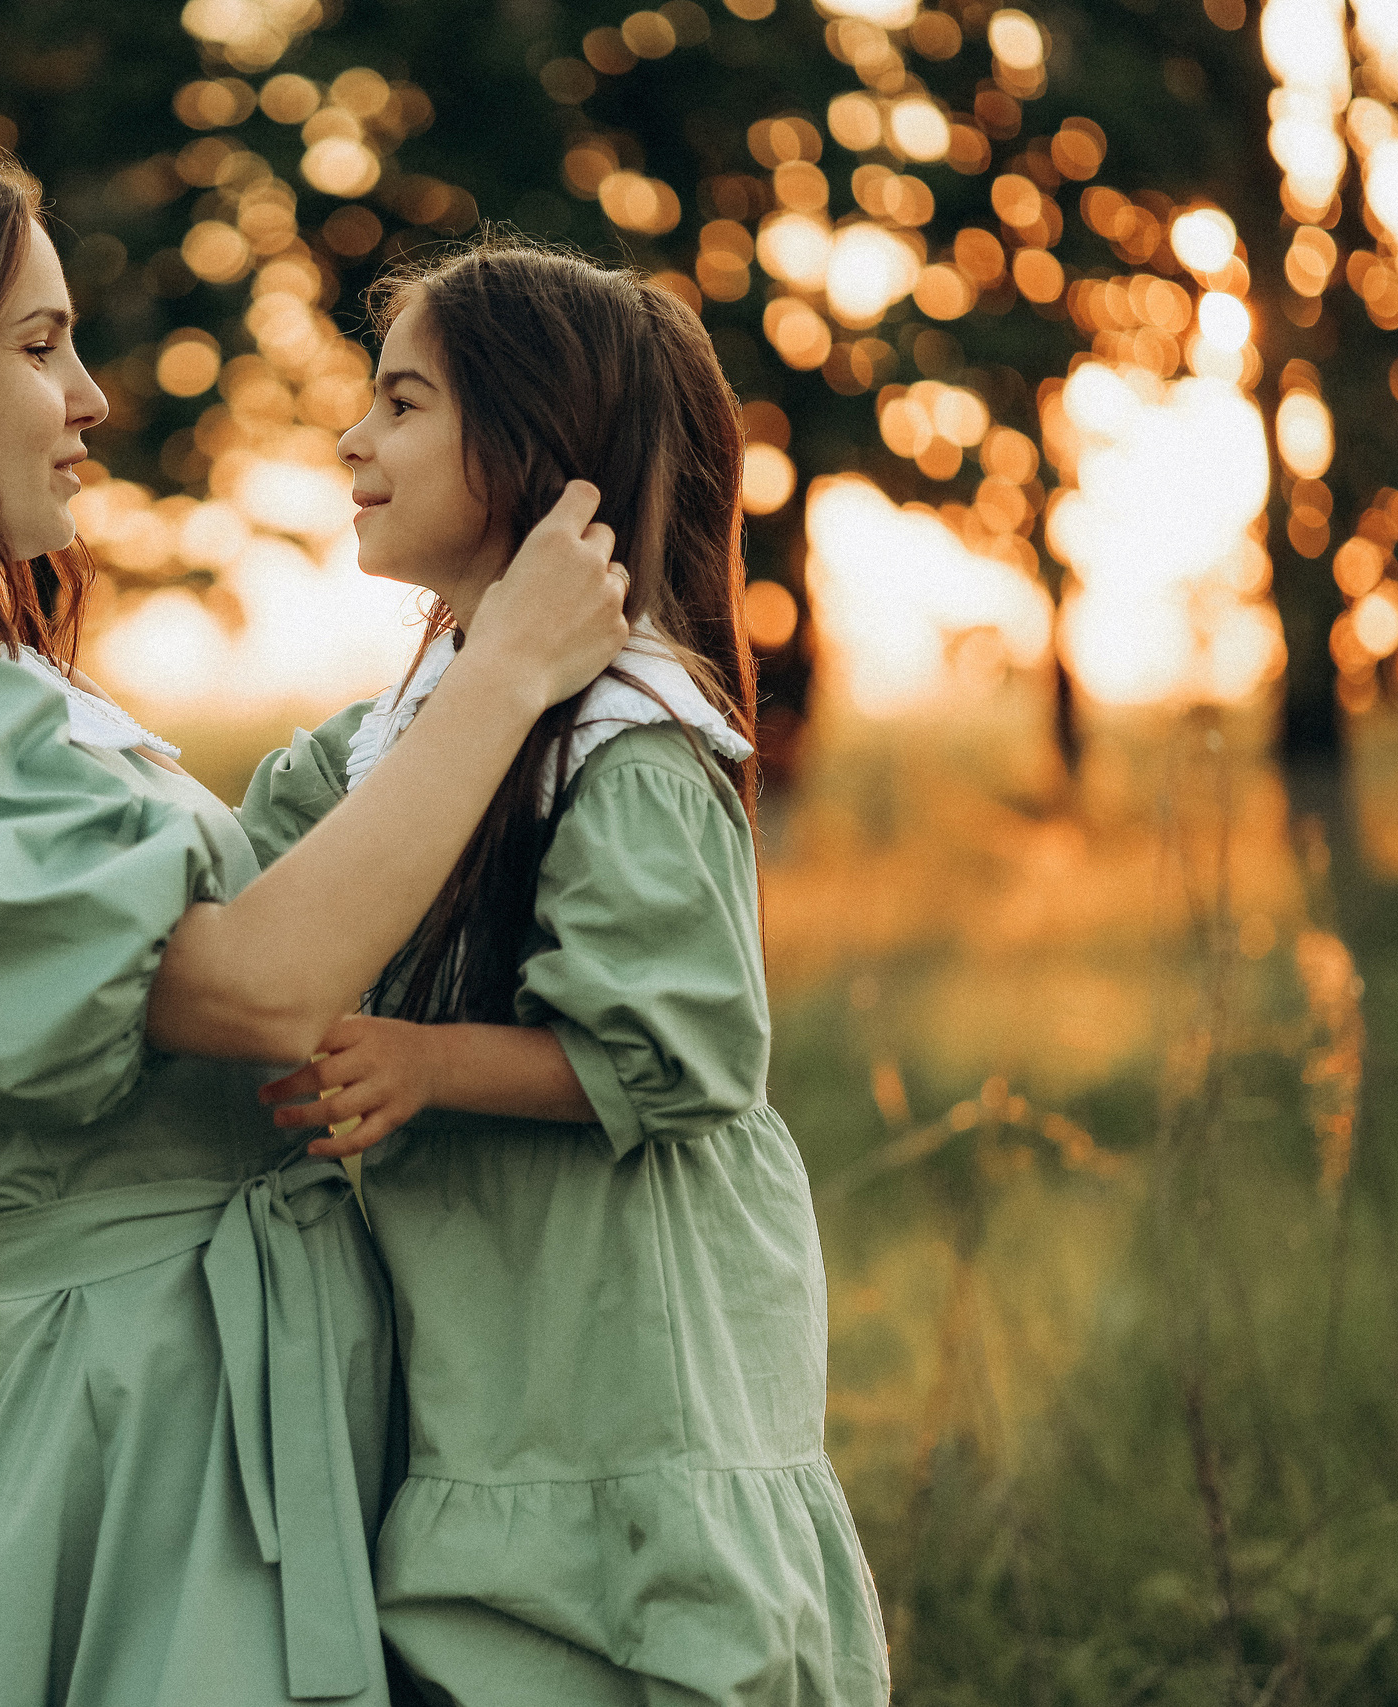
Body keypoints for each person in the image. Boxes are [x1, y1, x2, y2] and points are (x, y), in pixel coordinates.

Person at [0, 140, 628, 1706]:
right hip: (168, 1407)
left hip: (320, 1358)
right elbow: (257, 988)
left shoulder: (4, 693)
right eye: (40, 348)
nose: (93, 396)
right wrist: (506, 669)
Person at [241, 242, 891, 1706]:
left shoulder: (629, 739)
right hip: (504, 1356)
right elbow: (240, 888)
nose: (353, 438)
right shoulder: (388, 741)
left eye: (402, 403)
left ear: (529, 453)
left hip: (636, 1356)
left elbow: (680, 1053)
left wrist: (423, 1061)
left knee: (642, 1646)